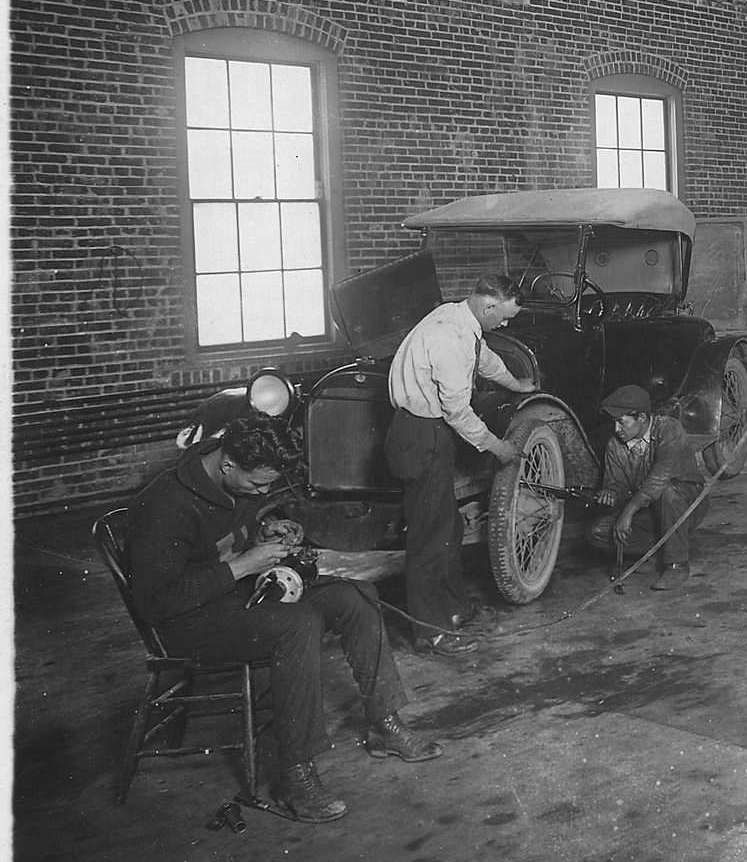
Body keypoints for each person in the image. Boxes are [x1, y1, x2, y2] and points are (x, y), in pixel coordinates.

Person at [126, 414, 442, 823]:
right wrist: (243, 566)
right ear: (227, 465)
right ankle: (295, 775)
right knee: (300, 624)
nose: (264, 491)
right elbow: (157, 604)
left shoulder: (230, 474)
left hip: (234, 594)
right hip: (188, 621)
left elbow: (233, 528)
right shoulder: (165, 506)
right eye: (258, 484)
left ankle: (384, 721)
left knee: (354, 595)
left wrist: (268, 531)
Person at [385, 273, 537, 654]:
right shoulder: (448, 337)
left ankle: (453, 608)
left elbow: (484, 359)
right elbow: (457, 411)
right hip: (421, 435)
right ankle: (430, 632)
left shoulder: (459, 319)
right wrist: (497, 447)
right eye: (502, 317)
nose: (504, 325)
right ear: (488, 305)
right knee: (429, 537)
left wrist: (516, 384)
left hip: (428, 432)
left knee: (447, 524)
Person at [584, 385, 706, 589]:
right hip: (649, 512)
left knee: (669, 491)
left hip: (686, 504)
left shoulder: (669, 428)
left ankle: (678, 564)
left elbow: (660, 477)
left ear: (641, 417)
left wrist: (629, 511)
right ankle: (657, 552)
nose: (616, 430)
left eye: (622, 422)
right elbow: (618, 485)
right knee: (597, 531)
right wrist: (611, 494)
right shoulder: (615, 445)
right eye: (614, 423)